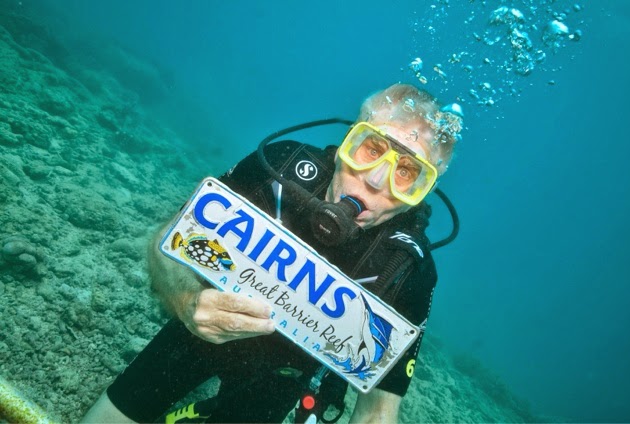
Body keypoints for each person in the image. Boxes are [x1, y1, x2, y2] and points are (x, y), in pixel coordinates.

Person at [81, 83, 462, 423]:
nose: (375, 180)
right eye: (372, 149)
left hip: (281, 379)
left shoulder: (408, 268)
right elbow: (168, 238)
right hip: (199, 332)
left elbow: (378, 411)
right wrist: (186, 300)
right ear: (349, 140)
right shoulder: (281, 167)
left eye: (406, 173)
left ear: (422, 193)